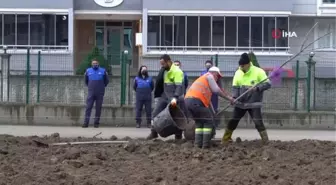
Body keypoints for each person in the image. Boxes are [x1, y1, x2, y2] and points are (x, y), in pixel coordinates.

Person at [222, 53, 271, 143]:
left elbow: (268, 84)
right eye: (240, 65)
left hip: (254, 102)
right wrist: (234, 98)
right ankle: (225, 139)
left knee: (258, 122)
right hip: (240, 103)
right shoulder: (238, 72)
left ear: (248, 64)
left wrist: (257, 88)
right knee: (233, 120)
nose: (241, 67)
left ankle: (265, 141)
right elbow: (235, 87)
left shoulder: (259, 71)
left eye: (243, 65)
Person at [185, 66, 234, 148]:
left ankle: (198, 144)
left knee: (199, 123)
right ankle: (205, 145)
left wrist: (213, 113)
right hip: (196, 102)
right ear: (214, 73)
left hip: (188, 102)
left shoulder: (203, 80)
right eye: (218, 76)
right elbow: (217, 90)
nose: (217, 79)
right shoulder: (209, 76)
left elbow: (208, 102)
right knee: (208, 121)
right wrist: (230, 99)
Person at [147, 54, 187, 140]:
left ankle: (178, 135)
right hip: (164, 96)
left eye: (163, 63)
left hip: (174, 97)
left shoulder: (177, 71)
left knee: (176, 116)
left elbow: (179, 86)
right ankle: (153, 132)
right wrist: (158, 95)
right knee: (155, 113)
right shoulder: (163, 71)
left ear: (168, 62)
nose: (162, 66)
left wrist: (175, 97)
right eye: (161, 64)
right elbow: (159, 83)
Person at [83, 59, 109, 128]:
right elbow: (86, 81)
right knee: (88, 107)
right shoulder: (88, 71)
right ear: (91, 64)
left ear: (98, 63)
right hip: (91, 92)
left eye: (96, 63)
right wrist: (90, 87)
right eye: (93, 63)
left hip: (100, 92)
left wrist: (102, 87)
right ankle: (86, 123)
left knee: (98, 108)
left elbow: (106, 81)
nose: (95, 64)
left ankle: (96, 123)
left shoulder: (103, 70)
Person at [201, 60, 221, 129]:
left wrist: (219, 92)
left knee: (214, 109)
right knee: (207, 108)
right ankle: (208, 124)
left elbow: (219, 85)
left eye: (209, 64)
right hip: (206, 93)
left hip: (214, 95)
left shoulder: (216, 73)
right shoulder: (203, 73)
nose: (208, 65)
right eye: (207, 64)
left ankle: (215, 124)